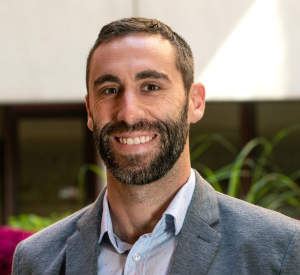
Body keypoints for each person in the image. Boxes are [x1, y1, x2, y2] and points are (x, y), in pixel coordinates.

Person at [13, 17, 300, 275]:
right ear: (90, 111)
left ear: (195, 102)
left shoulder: (280, 251)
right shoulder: (36, 259)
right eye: (109, 90)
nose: (128, 113)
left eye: (151, 87)